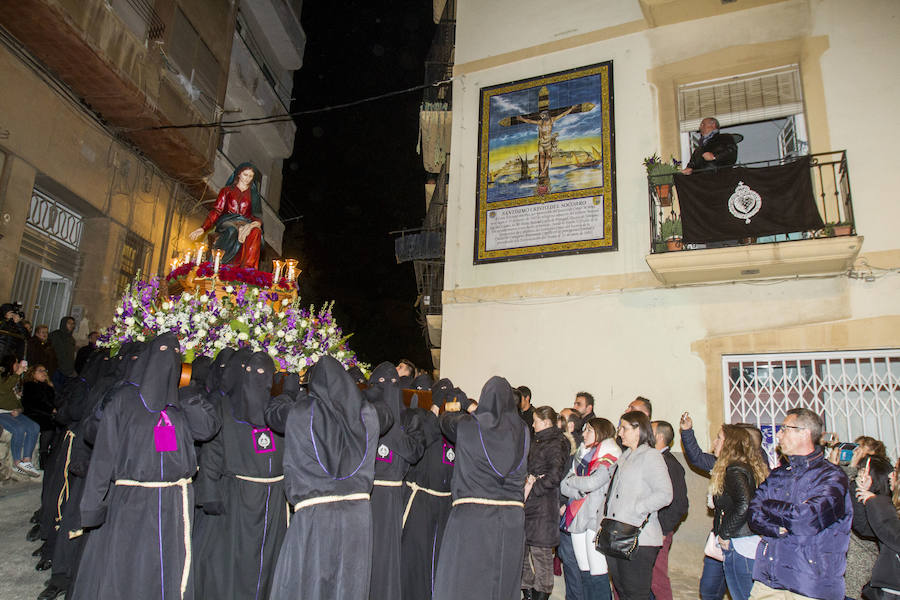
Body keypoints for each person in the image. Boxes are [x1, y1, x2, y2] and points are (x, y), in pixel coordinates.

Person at [70, 333, 220, 600]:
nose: (167, 360)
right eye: (162, 351)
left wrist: (187, 393)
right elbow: (104, 456)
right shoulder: (124, 400)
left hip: (174, 501)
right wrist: (92, 506)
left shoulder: (180, 405)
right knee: (131, 567)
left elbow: (206, 429)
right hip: (133, 501)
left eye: (174, 355)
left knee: (165, 569)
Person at [266, 356, 386, 600]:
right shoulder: (368, 415)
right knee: (348, 584)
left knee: (307, 584)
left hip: (316, 517)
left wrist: (288, 393)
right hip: (357, 518)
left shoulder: (302, 411)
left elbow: (274, 417)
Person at [193, 351, 286, 600]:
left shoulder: (277, 413)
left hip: (271, 503)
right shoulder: (226, 410)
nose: (259, 379)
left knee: (266, 563)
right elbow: (212, 454)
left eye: (265, 374)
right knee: (232, 563)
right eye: (253, 373)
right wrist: (210, 494)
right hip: (236, 501)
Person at [433, 376, 530, 600]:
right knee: (502, 583)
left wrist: (463, 404)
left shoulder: (468, 426)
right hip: (512, 520)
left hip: (474, 518)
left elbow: (446, 422)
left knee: (467, 582)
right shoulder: (524, 431)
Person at [747, 408, 851, 600]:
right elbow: (753, 514)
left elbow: (806, 519)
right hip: (769, 579)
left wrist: (769, 505)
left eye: (784, 429)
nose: (778, 434)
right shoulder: (779, 474)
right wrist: (776, 529)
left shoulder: (832, 477)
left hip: (809, 584)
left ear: (804, 433)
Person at [365, 362, 425, 600]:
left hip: (392, 496)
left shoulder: (410, 418)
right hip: (365, 495)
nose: (386, 389)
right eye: (380, 384)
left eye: (392, 384)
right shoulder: (364, 413)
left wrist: (391, 429)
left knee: (388, 555)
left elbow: (414, 452)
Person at [400, 378, 461, 600]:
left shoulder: (456, 424)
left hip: (447, 503)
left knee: (442, 556)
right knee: (416, 556)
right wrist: (434, 408)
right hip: (422, 501)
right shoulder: (422, 418)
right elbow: (420, 442)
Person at [602, 411, 673, 600]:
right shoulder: (625, 456)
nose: (620, 433)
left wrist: (637, 508)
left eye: (624, 428)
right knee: (622, 591)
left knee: (636, 593)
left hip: (640, 538)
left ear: (638, 430)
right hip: (617, 533)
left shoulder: (651, 456)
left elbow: (665, 494)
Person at [560, 417, 621, 600]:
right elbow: (563, 484)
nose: (583, 434)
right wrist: (576, 486)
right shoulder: (582, 454)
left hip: (595, 519)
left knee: (598, 572)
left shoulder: (609, 454)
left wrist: (573, 483)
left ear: (600, 433)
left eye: (588, 431)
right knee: (583, 571)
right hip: (578, 516)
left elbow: (594, 482)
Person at [709, 425, 769, 600]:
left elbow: (745, 504)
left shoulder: (734, 470)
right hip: (748, 540)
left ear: (729, 444)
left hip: (740, 543)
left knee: (743, 595)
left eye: (719, 438)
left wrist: (725, 533)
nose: (715, 442)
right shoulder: (745, 466)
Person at [521, 406, 569, 600]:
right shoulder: (536, 439)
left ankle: (542, 592)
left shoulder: (557, 442)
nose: (532, 425)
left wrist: (535, 485)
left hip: (543, 505)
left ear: (546, 422)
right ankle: (527, 589)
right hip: (528, 501)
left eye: (536, 421)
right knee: (522, 551)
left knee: (541, 553)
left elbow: (555, 474)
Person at [680, 411, 726, 600]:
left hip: (738, 540)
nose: (714, 442)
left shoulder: (748, 469)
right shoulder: (719, 464)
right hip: (718, 535)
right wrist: (687, 432)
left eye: (719, 438)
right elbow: (697, 458)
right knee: (708, 590)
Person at [190, 162, 263, 270]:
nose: (247, 178)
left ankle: (248, 269)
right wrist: (203, 228)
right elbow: (217, 211)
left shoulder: (254, 195)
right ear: (239, 174)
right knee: (232, 230)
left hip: (245, 223)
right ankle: (218, 263)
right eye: (245, 175)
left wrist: (252, 225)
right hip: (228, 221)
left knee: (256, 232)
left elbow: (257, 217)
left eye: (250, 176)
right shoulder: (227, 191)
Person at [651, 420, 689, 600]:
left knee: (657, 580)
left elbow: (680, 503)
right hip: (650, 529)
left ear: (659, 437)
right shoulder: (653, 459)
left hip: (659, 530)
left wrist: (664, 529)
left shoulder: (670, 464)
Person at [853, 456, 900, 600]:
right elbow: (865, 528)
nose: (891, 475)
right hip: (887, 589)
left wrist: (873, 501)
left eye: (896, 471)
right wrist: (861, 492)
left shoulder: (884, 505)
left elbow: (894, 536)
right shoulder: (891, 506)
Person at [0, 355, 41, 477]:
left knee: (34, 427)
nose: (18, 365)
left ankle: (26, 461)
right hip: (1, 412)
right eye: (16, 363)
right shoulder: (4, 378)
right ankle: (17, 462)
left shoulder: (14, 380)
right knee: (19, 429)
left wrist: (19, 410)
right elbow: (2, 389)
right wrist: (17, 374)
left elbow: (19, 403)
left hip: (13, 412)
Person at [22, 364, 58, 468]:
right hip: (34, 413)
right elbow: (34, 403)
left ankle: (51, 456)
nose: (44, 373)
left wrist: (51, 388)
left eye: (45, 370)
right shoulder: (30, 385)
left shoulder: (47, 387)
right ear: (33, 374)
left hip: (47, 414)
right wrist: (51, 410)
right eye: (40, 370)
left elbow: (53, 401)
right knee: (48, 426)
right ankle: (43, 455)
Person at [48, 317, 76, 390]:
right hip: (56, 369)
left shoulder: (71, 339)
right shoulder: (55, 335)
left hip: (67, 371)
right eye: (69, 323)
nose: (71, 325)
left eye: (73, 324)